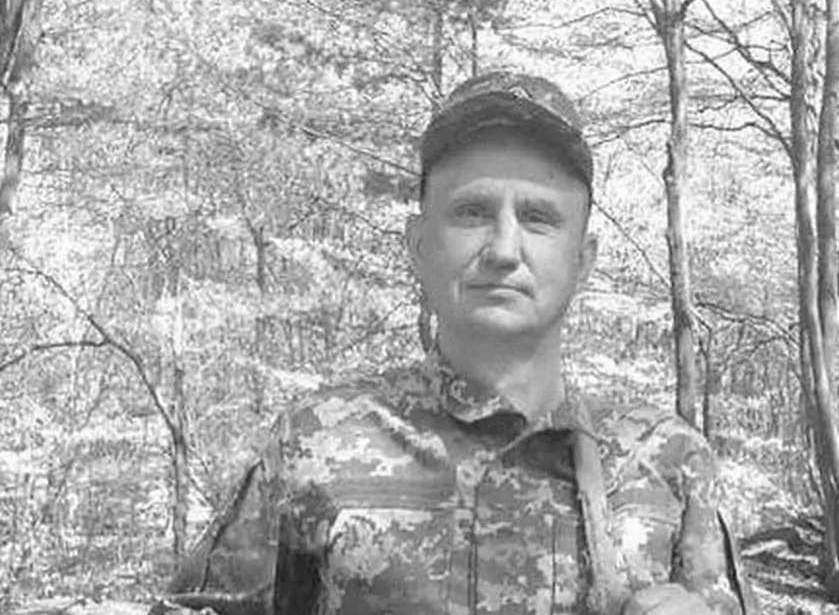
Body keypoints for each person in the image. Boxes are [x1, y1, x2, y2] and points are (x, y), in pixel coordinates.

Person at [150, 71, 757, 615]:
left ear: (583, 259)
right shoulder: (317, 442)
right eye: (472, 212)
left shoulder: (665, 458)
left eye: (539, 218)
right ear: (418, 245)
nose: (504, 249)